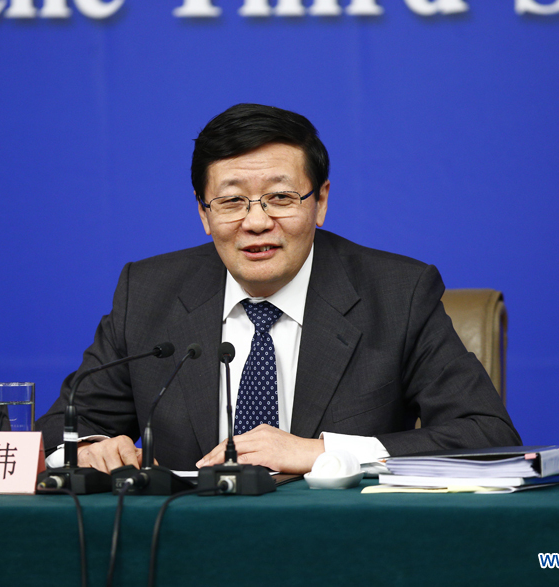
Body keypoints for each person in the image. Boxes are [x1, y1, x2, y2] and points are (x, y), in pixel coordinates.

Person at [37, 103, 520, 474]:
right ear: (204, 213)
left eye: (281, 198)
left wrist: (320, 452)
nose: (257, 222)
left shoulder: (397, 294)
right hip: (184, 547)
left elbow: (487, 434)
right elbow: (56, 433)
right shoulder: (147, 295)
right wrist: (89, 450)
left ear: (321, 201)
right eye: (231, 202)